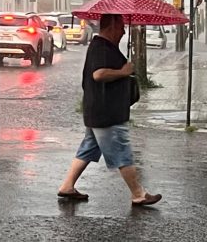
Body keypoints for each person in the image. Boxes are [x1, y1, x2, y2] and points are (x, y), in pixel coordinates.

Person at [57, 14, 162, 206]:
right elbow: (99, 74)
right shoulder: (101, 48)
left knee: (88, 148)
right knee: (122, 151)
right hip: (107, 112)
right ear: (111, 26)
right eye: (121, 27)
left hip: (99, 110)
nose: (123, 31)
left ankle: (67, 186)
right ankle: (138, 193)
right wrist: (123, 72)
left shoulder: (104, 47)